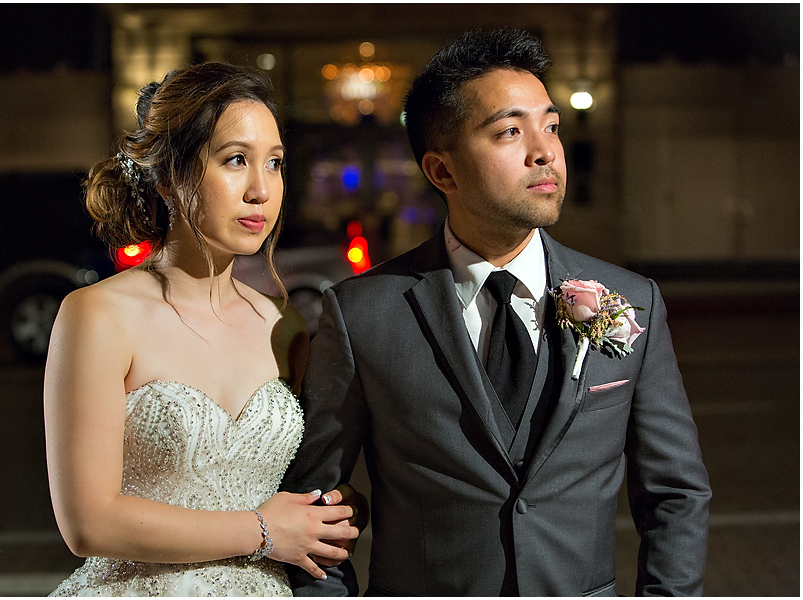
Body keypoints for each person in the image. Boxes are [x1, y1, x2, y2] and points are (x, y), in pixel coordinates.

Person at [283, 28, 711, 596]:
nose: (545, 151)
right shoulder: (363, 313)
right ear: (442, 172)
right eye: (511, 131)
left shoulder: (633, 299)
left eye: (551, 126)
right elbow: (318, 508)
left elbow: (674, 494)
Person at [44, 62, 362, 597]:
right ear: (169, 177)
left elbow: (302, 482)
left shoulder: (285, 325)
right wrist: (262, 531)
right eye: (236, 160)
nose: (261, 190)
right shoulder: (97, 316)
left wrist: (335, 508)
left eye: (276, 163)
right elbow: (87, 523)